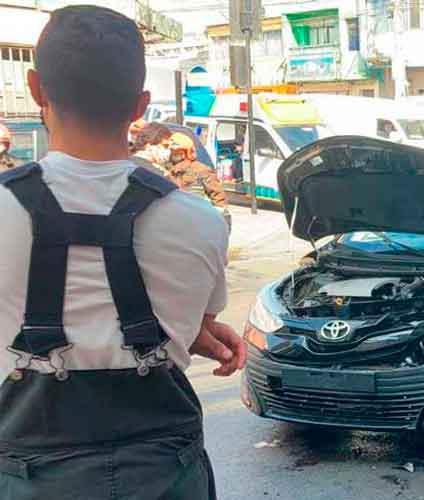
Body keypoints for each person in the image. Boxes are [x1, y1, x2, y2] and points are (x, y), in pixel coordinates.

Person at [0, 6, 246, 500]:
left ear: (35, 89)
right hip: (166, 476)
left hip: (29, 477)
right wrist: (187, 331)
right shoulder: (202, 220)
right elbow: (195, 321)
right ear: (140, 106)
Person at [167, 132, 228, 209]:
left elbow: (219, 197)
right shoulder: (166, 169)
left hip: (194, 213)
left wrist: (217, 214)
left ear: (185, 152)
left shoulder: (202, 170)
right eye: (170, 149)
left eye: (175, 150)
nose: (171, 153)